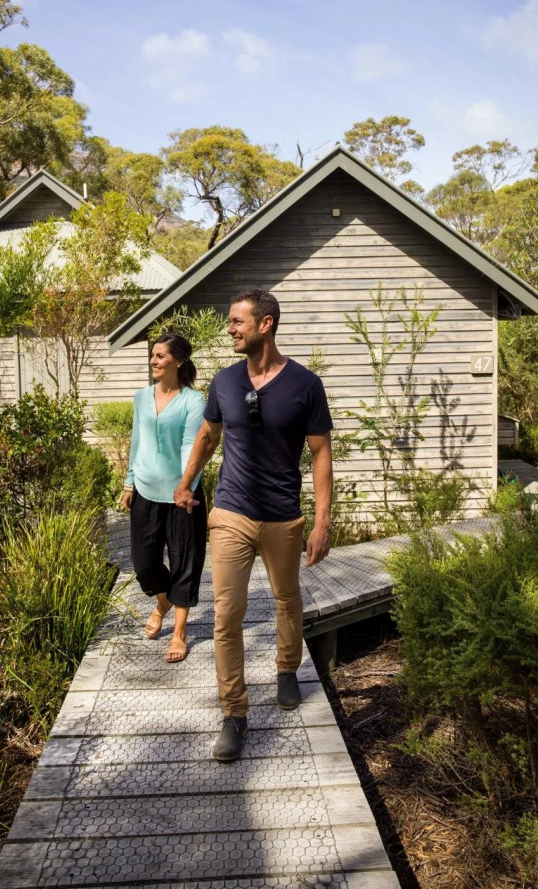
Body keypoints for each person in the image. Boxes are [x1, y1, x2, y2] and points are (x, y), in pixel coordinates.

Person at [174, 288, 333, 761]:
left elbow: (321, 453)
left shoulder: (305, 385)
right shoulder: (223, 382)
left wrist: (322, 521)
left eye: (238, 321)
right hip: (231, 514)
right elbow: (208, 437)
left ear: (266, 324)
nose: (230, 329)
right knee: (227, 615)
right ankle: (234, 713)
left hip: (284, 517)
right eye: (230, 321)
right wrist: (186, 485)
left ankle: (287, 669)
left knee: (287, 599)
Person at [121, 333, 207, 663]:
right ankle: (162, 602)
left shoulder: (192, 401)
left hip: (181, 494)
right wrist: (129, 483)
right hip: (145, 488)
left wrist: (187, 486)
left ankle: (179, 632)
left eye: (160, 356)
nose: (153, 361)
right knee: (144, 564)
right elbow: (137, 442)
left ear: (179, 361)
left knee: (186, 562)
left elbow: (192, 446)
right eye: (153, 356)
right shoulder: (142, 397)